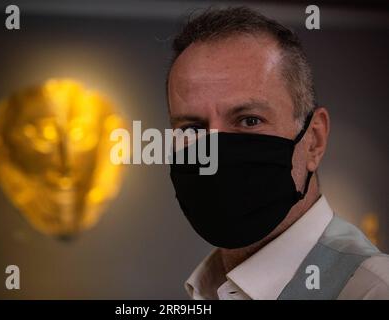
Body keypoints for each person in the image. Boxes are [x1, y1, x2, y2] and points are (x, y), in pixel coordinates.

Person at [166, 6, 389, 300]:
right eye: (193, 129)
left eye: (249, 120)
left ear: (314, 140)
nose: (214, 151)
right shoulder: (206, 289)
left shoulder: (373, 291)